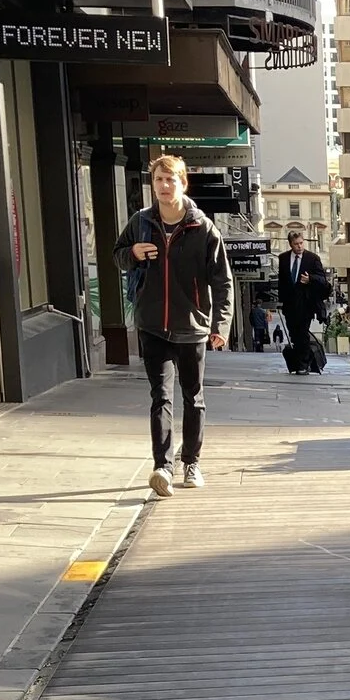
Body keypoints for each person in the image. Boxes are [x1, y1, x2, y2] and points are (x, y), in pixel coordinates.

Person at [114, 153, 229, 496]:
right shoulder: (140, 222)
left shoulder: (202, 227)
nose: (164, 186)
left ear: (183, 183)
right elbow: (118, 255)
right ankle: (162, 466)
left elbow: (223, 280)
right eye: (158, 181)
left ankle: (191, 462)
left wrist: (219, 324)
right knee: (160, 396)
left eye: (170, 180)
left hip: (191, 325)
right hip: (152, 324)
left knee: (193, 397)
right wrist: (132, 252)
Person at [277, 229, 331, 375]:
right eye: (296, 244)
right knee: (294, 333)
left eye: (301, 243)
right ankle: (299, 362)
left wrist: (310, 279)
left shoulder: (312, 258)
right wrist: (280, 301)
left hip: (306, 303)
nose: (299, 246)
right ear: (290, 244)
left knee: (302, 333)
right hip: (290, 304)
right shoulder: (283, 258)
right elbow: (282, 281)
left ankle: (303, 364)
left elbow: (322, 280)